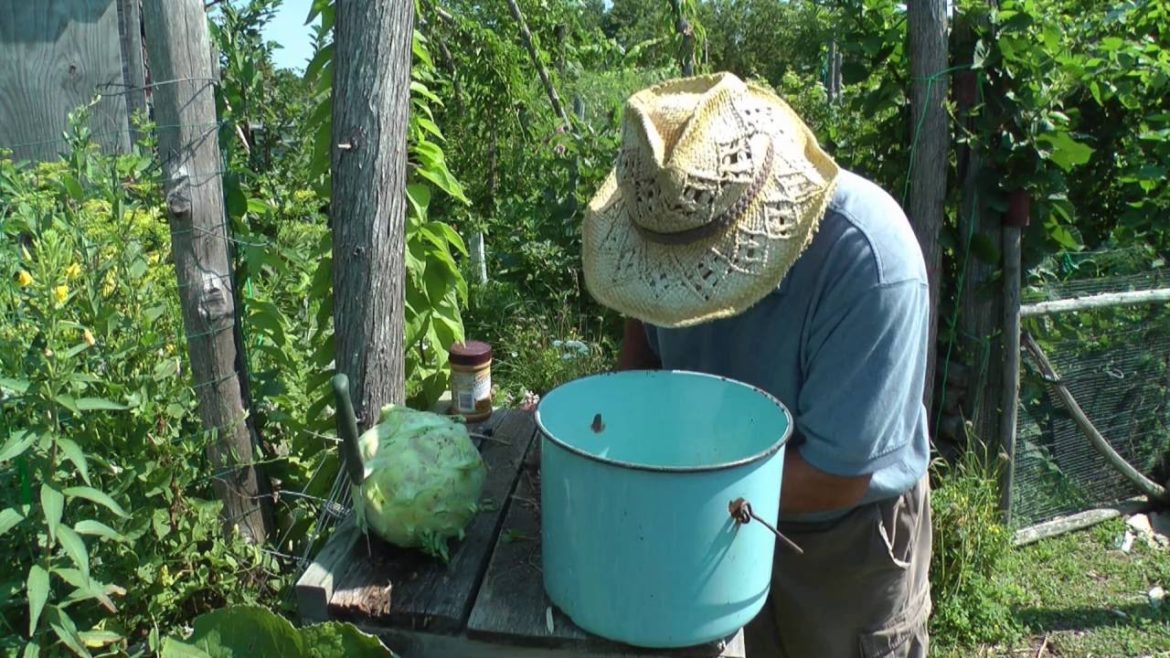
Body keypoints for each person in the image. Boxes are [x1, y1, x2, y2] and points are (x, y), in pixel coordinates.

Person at [579, 72, 933, 657]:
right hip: (700, 512)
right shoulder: (677, 213)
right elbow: (642, 337)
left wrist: (659, 495)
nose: (681, 295)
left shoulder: (868, 261)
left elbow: (836, 476)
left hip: (840, 547)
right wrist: (615, 450)